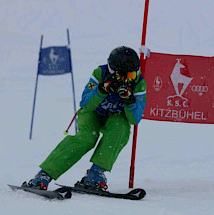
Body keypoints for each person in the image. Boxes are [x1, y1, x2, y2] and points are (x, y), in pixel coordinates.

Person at [27, 46, 147, 191]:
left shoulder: (139, 83)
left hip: (116, 116)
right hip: (93, 112)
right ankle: (44, 174)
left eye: (131, 75)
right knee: (87, 138)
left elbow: (135, 119)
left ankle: (96, 173)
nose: (127, 80)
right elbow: (85, 104)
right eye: (122, 76)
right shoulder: (100, 73)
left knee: (121, 129)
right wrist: (102, 90)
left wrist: (129, 100)